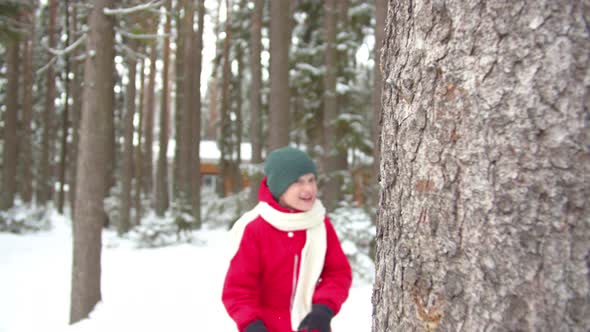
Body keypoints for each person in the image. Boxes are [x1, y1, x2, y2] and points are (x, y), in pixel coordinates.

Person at [222, 146, 352, 332]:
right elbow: (238, 290)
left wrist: (323, 309)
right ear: (279, 187)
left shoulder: (319, 222)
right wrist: (251, 324)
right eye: (298, 182)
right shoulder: (255, 228)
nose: (308, 188)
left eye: (311, 180)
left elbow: (338, 273)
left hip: (310, 327)